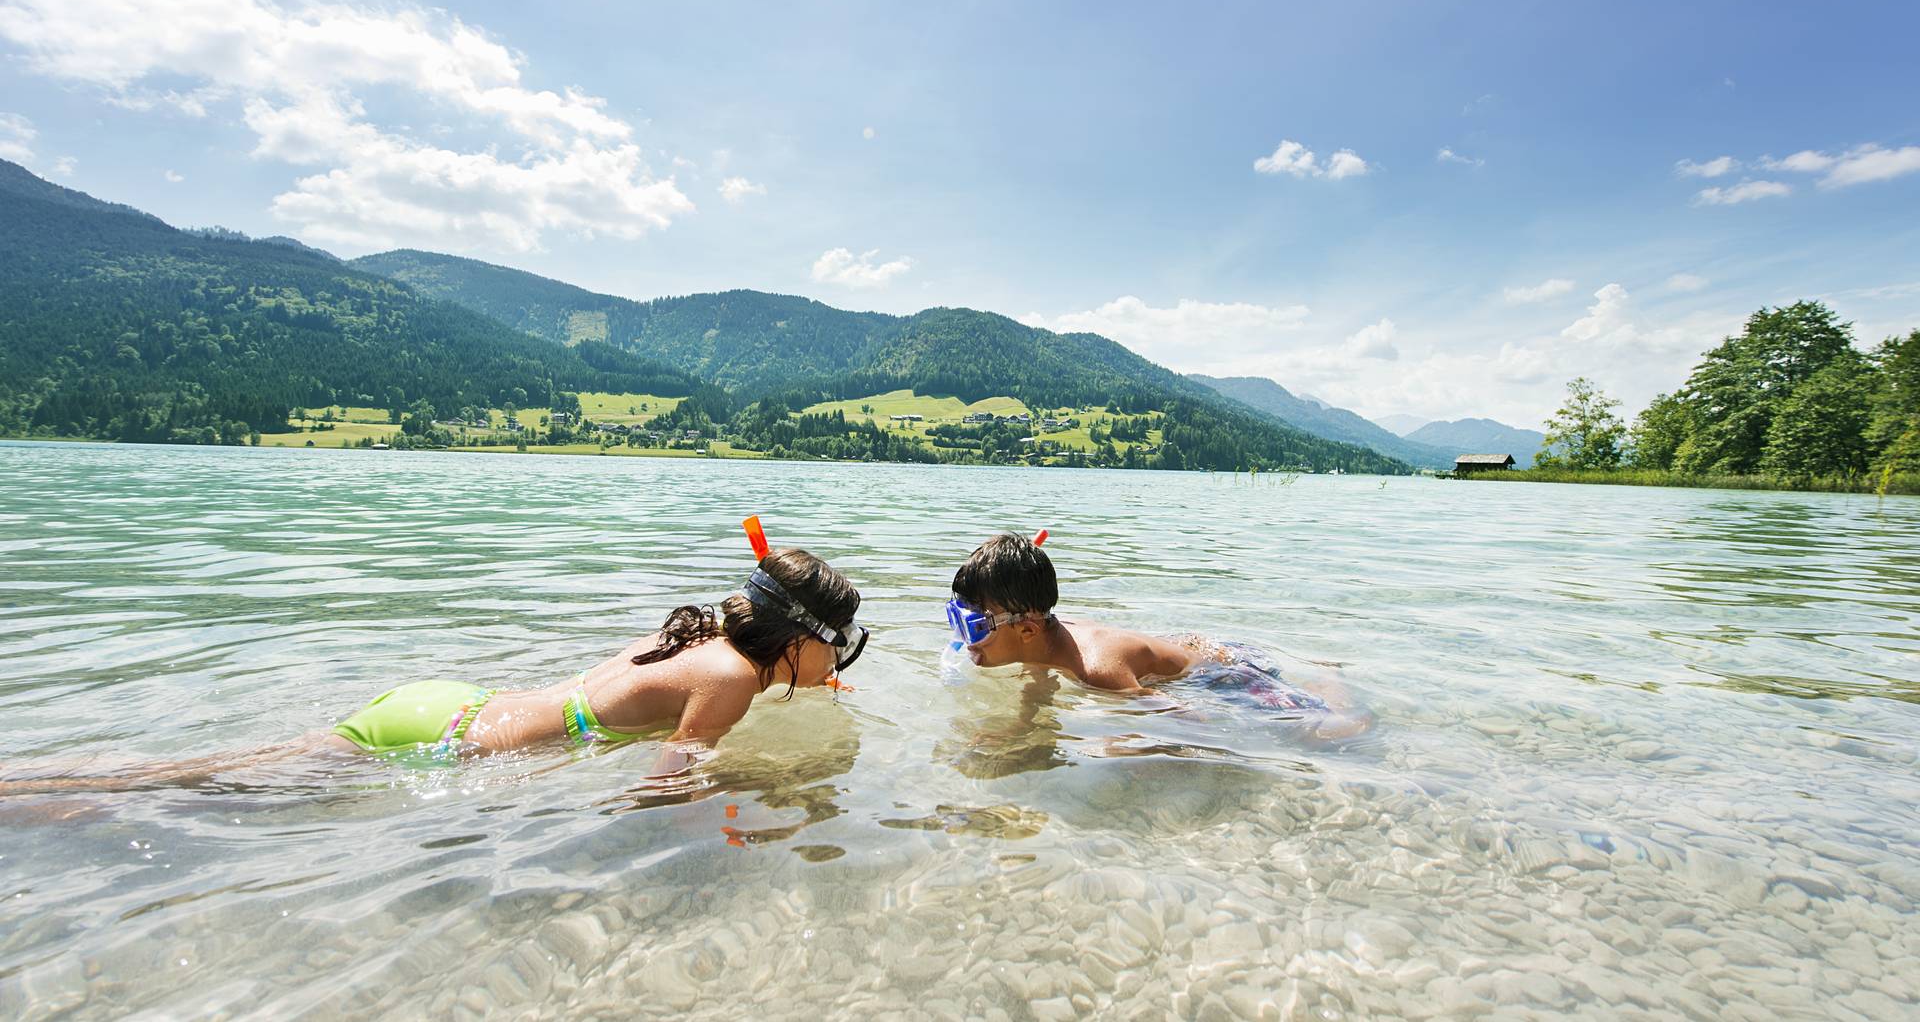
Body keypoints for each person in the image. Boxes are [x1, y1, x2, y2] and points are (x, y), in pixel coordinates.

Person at [3, 522, 867, 793]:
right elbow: (671, 779)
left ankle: (70, 780)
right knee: (210, 789)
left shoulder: (697, 640)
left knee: (232, 765)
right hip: (469, 745)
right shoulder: (731, 681)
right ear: (796, 641)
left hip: (452, 699)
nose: (837, 666)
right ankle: (73, 796)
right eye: (835, 650)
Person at [944, 531, 1369, 739]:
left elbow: (1189, 719)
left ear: (1028, 628)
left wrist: (1133, 747)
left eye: (974, 627)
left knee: (1330, 731)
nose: (964, 641)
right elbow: (1039, 681)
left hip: (1224, 675)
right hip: (1191, 649)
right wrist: (1020, 728)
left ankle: (1329, 679)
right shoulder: (1039, 636)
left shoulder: (1098, 671)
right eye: (955, 619)